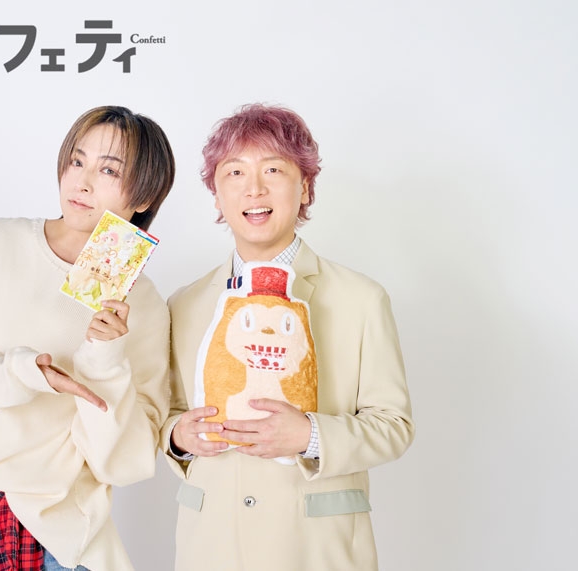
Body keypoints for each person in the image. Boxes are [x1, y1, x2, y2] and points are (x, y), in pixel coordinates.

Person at [0, 105, 175, 571]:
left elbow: (124, 463)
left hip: (56, 536)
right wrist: (22, 373)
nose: (82, 181)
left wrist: (104, 360)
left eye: (108, 170)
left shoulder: (141, 303)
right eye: (77, 160)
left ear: (144, 194)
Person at [160, 103, 414, 570]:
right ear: (216, 195)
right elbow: (166, 413)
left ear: (306, 187)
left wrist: (311, 436)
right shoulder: (185, 303)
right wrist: (177, 435)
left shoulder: (361, 298)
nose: (254, 188)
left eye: (273, 169)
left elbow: (394, 426)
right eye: (234, 172)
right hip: (212, 546)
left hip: (316, 548)